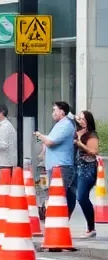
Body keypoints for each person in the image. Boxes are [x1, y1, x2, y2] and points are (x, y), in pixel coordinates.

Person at [35, 100, 77, 215]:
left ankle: (61, 220)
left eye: (54, 110)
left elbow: (49, 142)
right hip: (54, 166)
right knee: (56, 195)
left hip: (61, 166)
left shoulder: (66, 125)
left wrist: (39, 135)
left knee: (58, 196)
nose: (52, 113)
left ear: (62, 112)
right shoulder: (59, 125)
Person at [74, 110, 100, 238]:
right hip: (76, 167)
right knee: (75, 196)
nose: (81, 120)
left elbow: (93, 151)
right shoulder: (76, 131)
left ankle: (91, 227)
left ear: (88, 120)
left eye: (83, 118)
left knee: (81, 196)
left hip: (88, 169)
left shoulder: (91, 135)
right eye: (80, 118)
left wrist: (79, 143)